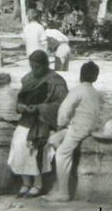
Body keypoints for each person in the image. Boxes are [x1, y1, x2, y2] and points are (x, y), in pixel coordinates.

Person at [7, 50, 68, 198]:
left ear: (46, 65)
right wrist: (20, 106)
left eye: (37, 67)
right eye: (32, 66)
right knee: (18, 143)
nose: (34, 70)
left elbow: (63, 105)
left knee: (35, 146)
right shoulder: (27, 79)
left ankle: (38, 183)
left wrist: (40, 108)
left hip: (44, 120)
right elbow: (20, 99)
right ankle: (25, 182)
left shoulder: (56, 81)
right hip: (27, 118)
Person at [44, 61, 102, 202]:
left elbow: (64, 110)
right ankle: (57, 186)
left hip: (78, 128)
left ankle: (63, 192)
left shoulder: (77, 90)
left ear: (81, 76)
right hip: (89, 127)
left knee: (62, 153)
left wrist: (60, 125)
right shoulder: (95, 92)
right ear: (95, 78)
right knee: (52, 140)